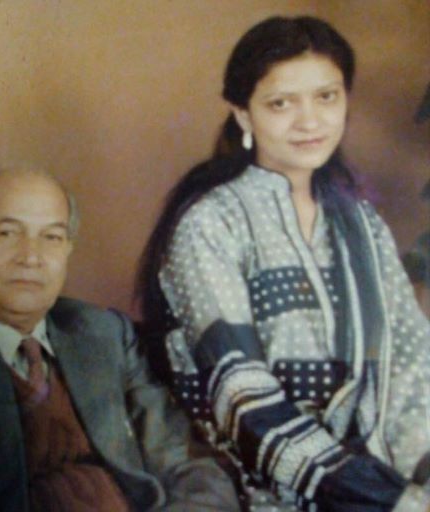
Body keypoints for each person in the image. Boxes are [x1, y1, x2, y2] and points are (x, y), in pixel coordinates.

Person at [137, 15, 430, 512]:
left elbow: (413, 370)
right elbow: (243, 402)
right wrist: (391, 499)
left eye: (326, 97)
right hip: (251, 489)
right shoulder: (210, 223)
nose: (310, 121)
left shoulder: (363, 225)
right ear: (244, 115)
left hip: (381, 478)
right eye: (281, 103)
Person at [0, 167, 242, 512]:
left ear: (68, 251)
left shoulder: (104, 334)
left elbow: (187, 464)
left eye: (52, 237)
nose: (30, 257)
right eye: (8, 233)